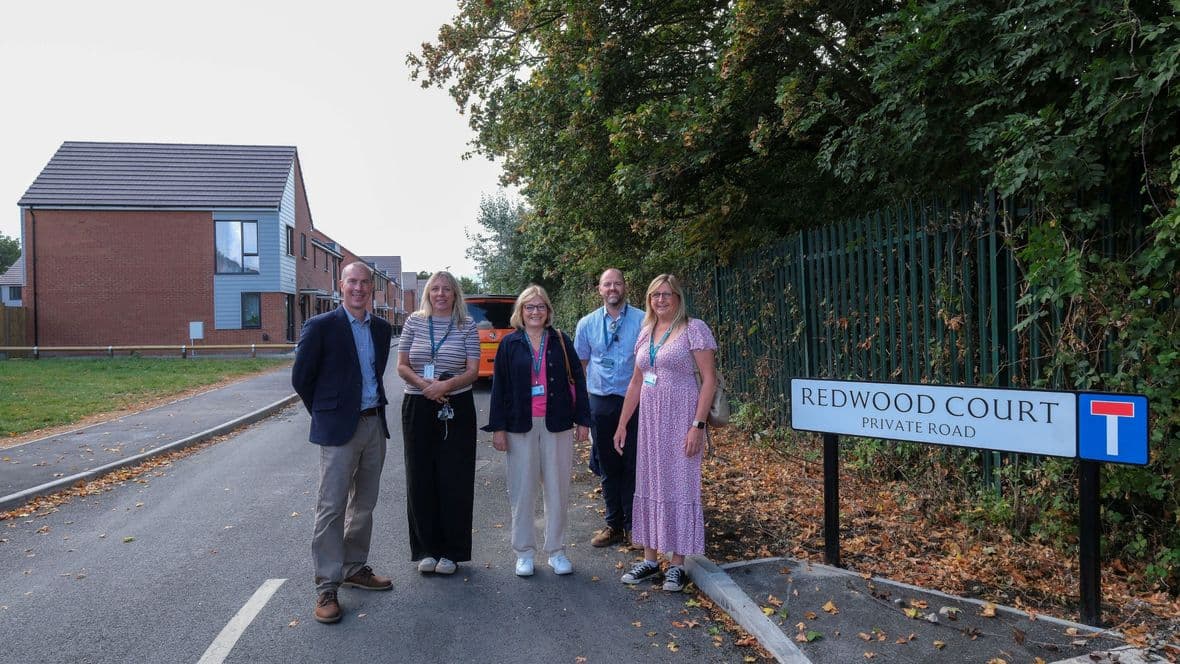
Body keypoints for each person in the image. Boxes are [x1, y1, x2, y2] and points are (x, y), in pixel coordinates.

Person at [292, 261, 394, 625]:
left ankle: (353, 568)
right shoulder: (320, 327)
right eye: (353, 281)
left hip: (373, 425)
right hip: (338, 430)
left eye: (365, 283)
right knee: (332, 508)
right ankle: (327, 586)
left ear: (372, 289)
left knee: (364, 504)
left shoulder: (381, 329)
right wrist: (326, 414)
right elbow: (302, 379)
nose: (359, 288)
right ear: (341, 285)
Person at [613, 274, 717, 592]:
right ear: (648, 299)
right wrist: (621, 424)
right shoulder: (645, 333)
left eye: (667, 294)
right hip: (650, 423)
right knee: (649, 482)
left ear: (678, 297)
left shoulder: (693, 328)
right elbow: (636, 381)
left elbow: (710, 380)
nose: (661, 300)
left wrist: (697, 426)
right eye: (655, 294)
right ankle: (649, 558)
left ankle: (677, 564)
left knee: (680, 484)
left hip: (682, 419)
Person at [484, 285, 590, 577]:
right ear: (521, 311)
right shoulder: (510, 343)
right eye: (529, 307)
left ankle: (556, 551)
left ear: (548, 311)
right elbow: (499, 388)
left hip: (557, 424)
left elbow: (578, 379)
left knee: (557, 489)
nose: (535, 312)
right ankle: (524, 553)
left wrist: (583, 420)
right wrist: (498, 429)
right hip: (520, 426)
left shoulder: (559, 340)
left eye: (540, 307)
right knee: (522, 490)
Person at [396, 271, 480, 577]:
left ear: (455, 294)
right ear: (428, 293)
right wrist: (424, 385)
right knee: (419, 476)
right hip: (417, 405)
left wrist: (444, 387)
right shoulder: (414, 322)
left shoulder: (467, 325)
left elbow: (473, 370)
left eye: (447, 289)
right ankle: (426, 549)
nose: (441, 294)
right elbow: (401, 365)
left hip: (455, 405)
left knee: (454, 477)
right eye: (435, 289)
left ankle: (452, 552)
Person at [574, 268, 644, 548]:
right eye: (607, 284)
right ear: (599, 289)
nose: (612, 288)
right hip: (600, 402)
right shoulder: (587, 324)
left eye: (617, 283)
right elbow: (580, 367)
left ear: (625, 287)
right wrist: (581, 408)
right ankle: (613, 524)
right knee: (607, 465)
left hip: (636, 400)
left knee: (633, 463)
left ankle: (632, 526)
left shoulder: (643, 320)